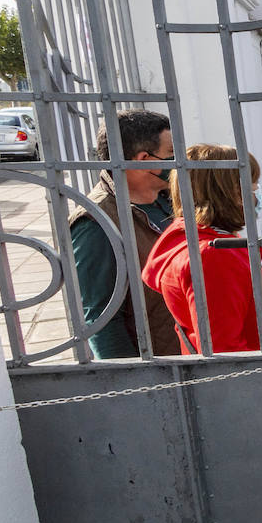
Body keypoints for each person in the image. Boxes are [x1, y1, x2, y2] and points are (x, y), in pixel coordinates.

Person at [142, 145, 262, 354]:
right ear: (232, 193)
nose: (256, 194)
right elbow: (225, 354)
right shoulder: (214, 255)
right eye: (252, 186)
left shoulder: (206, 245)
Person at [68, 109, 182, 358]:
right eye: (171, 154)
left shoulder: (171, 200)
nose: (178, 161)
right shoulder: (96, 222)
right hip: (159, 365)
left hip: (191, 352)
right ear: (144, 160)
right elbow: (101, 319)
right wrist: (137, 383)